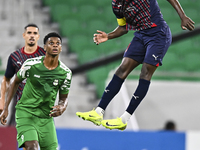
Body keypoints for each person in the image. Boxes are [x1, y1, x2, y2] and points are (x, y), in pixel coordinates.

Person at [76, 0, 195, 131]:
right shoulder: (116, 5)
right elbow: (123, 27)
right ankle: (98, 112)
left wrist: (182, 16)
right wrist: (108, 36)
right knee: (122, 69)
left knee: (145, 73)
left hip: (158, 34)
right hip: (141, 35)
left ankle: (124, 119)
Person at [0, 32, 72, 150]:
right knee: (32, 147)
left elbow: (64, 97)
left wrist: (62, 106)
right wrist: (6, 107)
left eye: (58, 44)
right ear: (44, 47)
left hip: (46, 117)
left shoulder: (65, 73)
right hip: (26, 113)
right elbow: (15, 82)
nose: (55, 45)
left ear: (61, 48)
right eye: (51, 43)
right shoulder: (31, 65)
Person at [0, 23, 46, 127]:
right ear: (24, 35)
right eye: (29, 33)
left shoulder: (45, 56)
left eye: (35, 33)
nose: (32, 35)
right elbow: (6, 80)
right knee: (27, 142)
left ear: (38, 37)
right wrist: (2, 100)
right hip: (22, 109)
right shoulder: (14, 57)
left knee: (44, 142)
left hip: (42, 109)